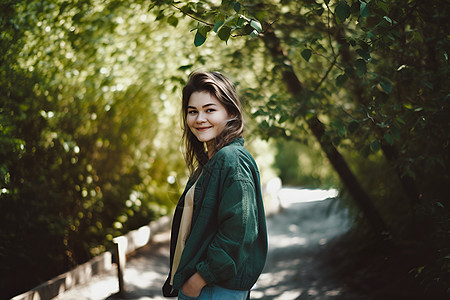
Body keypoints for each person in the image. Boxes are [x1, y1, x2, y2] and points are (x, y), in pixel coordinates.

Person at [162, 71, 268, 299]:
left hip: (213, 288)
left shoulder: (232, 159)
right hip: (203, 286)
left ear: (230, 113)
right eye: (193, 112)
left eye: (210, 110)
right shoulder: (209, 164)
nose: (199, 119)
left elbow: (239, 230)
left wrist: (200, 279)